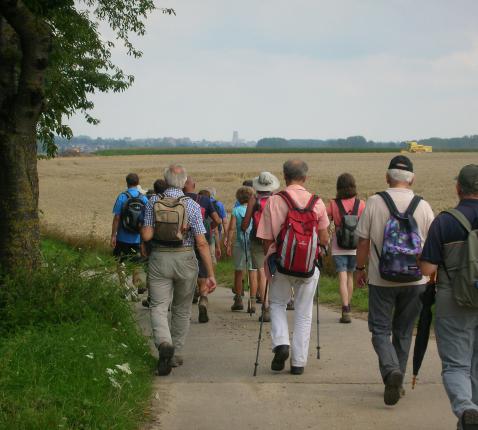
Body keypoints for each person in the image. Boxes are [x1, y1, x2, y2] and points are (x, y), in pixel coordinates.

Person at [355, 155, 434, 406]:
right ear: (412, 179)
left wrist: (359, 268)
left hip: (381, 279)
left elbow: (363, 241)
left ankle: (391, 372)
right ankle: (396, 380)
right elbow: (431, 247)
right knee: (403, 331)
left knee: (379, 330)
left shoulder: (374, 202)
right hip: (416, 281)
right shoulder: (423, 206)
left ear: (387, 177)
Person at [141, 164, 217, 376]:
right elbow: (202, 243)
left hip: (159, 259)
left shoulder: (153, 201)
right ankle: (175, 353)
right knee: (182, 308)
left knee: (158, 306)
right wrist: (210, 274)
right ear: (184, 182)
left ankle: (164, 343)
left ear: (164, 181)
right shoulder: (191, 205)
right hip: (185, 258)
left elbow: (146, 236)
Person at [257, 160, 329, 375]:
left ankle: (281, 343)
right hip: (308, 266)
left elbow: (265, 238)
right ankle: (298, 363)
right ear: (305, 178)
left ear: (284, 176)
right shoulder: (317, 202)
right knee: (304, 312)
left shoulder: (275, 200)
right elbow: (324, 238)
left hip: (281, 264)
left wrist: (271, 257)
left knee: (277, 303)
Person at [420, 164, 478, 430]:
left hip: (453, 299)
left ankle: (466, 409)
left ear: (458, 188)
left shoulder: (445, 221)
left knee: (456, 365)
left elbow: (428, 269)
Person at [241, 172, 281, 322]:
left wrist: (244, 228)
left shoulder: (254, 199)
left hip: (257, 238)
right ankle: (277, 303)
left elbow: (245, 224)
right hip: (273, 239)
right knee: (274, 272)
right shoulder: (276, 199)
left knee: (262, 271)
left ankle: (265, 307)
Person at [326, 173, 365, 323]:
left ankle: (345, 308)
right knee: (350, 276)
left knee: (342, 276)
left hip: (338, 245)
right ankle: (348, 307)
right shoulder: (361, 204)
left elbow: (323, 219)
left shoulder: (333, 204)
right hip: (355, 246)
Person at [183, 177, 222, 323]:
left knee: (186, 272)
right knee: (203, 270)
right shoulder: (205, 200)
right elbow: (217, 220)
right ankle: (203, 299)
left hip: (184, 241)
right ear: (194, 186)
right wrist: (209, 230)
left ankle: (185, 308)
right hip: (202, 237)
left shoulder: (178, 200)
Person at [111, 173, 149, 291]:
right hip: (138, 238)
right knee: (136, 263)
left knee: (120, 262)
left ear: (127, 183)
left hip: (122, 238)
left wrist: (113, 235)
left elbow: (117, 218)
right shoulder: (143, 198)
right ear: (138, 183)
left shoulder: (122, 196)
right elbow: (147, 219)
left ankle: (124, 287)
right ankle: (136, 285)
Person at [226, 186, 258, 313]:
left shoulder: (236, 210)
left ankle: (238, 299)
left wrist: (228, 243)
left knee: (239, 272)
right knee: (253, 272)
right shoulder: (254, 210)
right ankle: (253, 302)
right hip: (253, 243)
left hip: (240, 244)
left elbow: (232, 228)